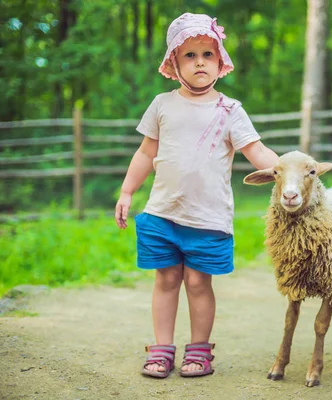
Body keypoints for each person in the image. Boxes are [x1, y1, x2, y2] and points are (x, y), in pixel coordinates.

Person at [114, 12, 279, 379]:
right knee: (166, 279)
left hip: (207, 217)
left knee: (198, 282)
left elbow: (257, 152)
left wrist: (286, 169)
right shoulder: (162, 104)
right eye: (189, 55)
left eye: (208, 54)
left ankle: (200, 350)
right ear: (174, 62)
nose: (200, 61)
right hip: (162, 213)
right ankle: (161, 349)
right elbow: (145, 153)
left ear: (220, 62)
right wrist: (127, 191)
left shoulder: (230, 110)